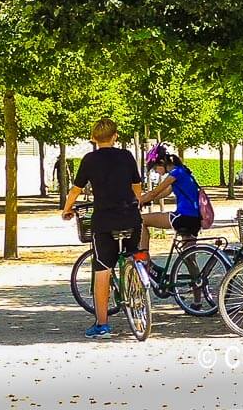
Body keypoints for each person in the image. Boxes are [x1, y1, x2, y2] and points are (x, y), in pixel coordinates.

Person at [62, 118, 143, 339]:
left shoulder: (89, 160)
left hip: (104, 221)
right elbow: (137, 187)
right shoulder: (126, 156)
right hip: (130, 217)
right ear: (115, 136)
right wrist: (139, 203)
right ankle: (138, 287)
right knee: (134, 255)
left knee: (102, 269)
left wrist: (67, 209)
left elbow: (76, 190)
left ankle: (102, 324)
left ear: (94, 138)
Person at [137, 145, 201, 254]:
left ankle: (145, 261)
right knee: (188, 256)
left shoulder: (175, 174)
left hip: (183, 217)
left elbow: (154, 193)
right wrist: (146, 200)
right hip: (195, 219)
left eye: (155, 167)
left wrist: (137, 201)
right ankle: (196, 272)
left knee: (140, 220)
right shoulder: (183, 172)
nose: (156, 171)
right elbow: (164, 193)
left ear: (162, 162)